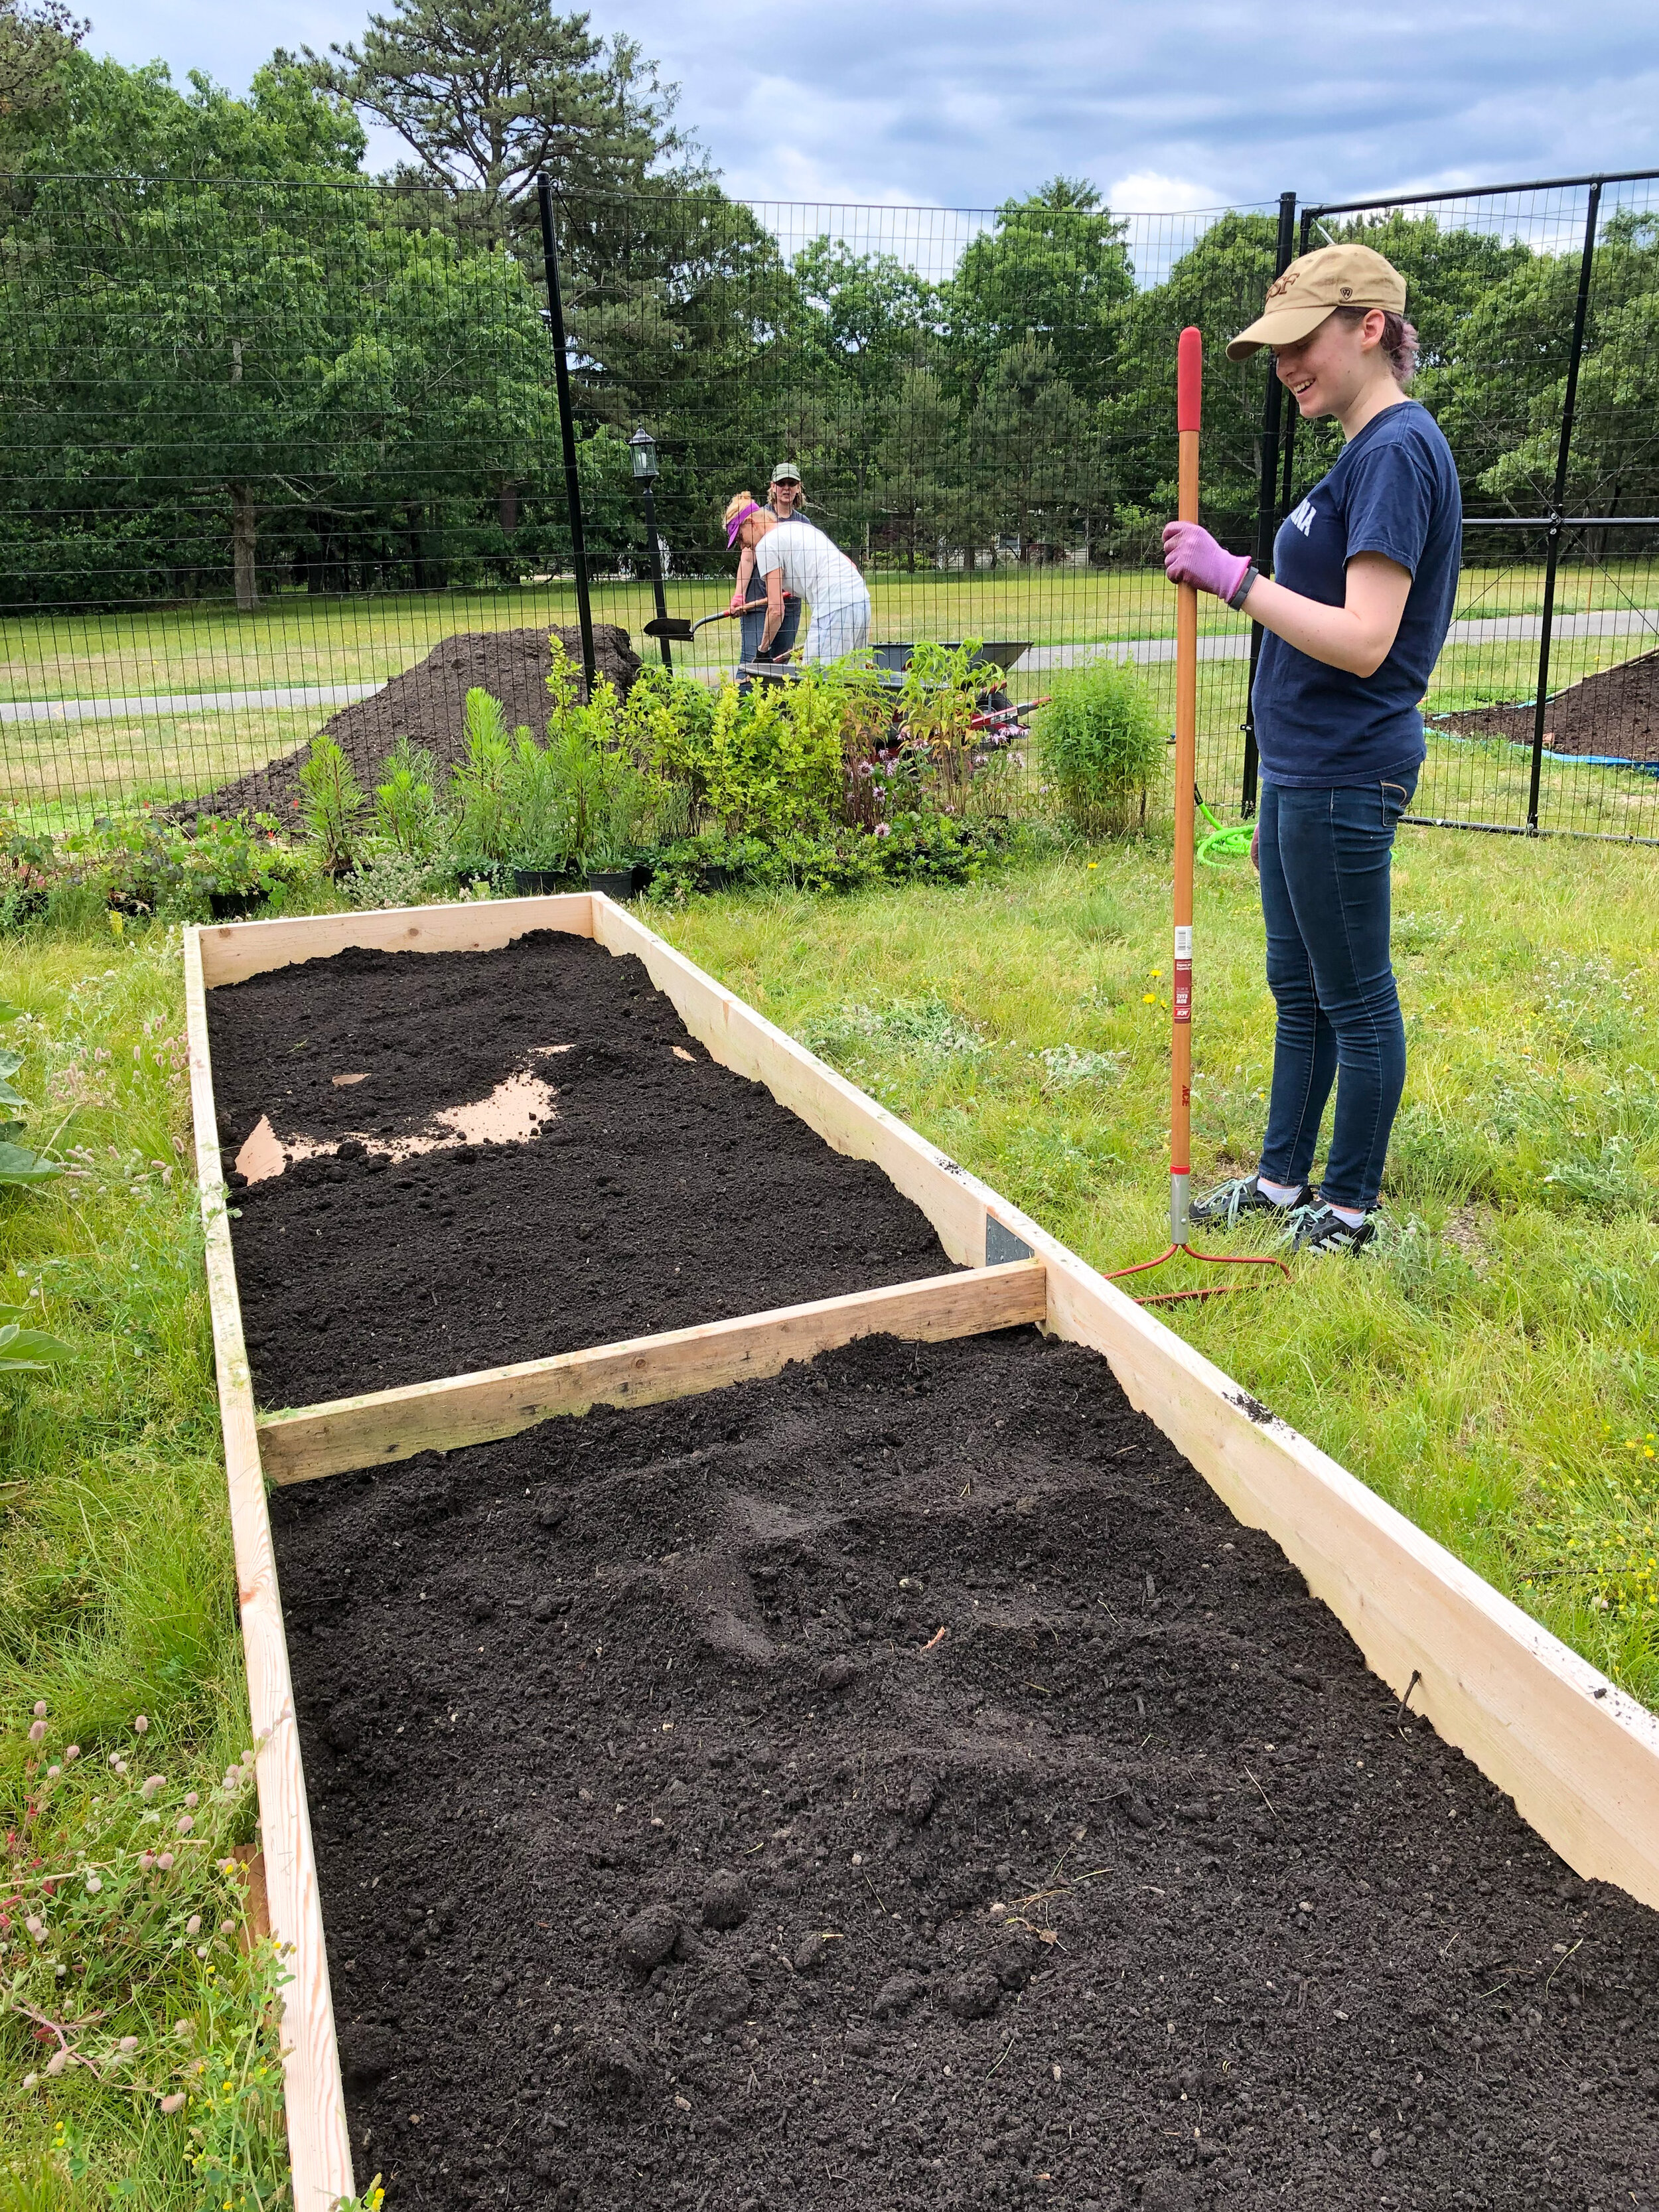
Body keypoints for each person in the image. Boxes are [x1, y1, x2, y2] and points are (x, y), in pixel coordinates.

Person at [1161, 242, 1461, 1256]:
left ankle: (1348, 1209)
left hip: (1347, 764)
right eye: (1275, 347)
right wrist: (1273, 786)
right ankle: (1284, 1182)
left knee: (1356, 996)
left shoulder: (1395, 452)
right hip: (1303, 769)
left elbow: (1369, 637)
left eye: (1302, 341)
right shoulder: (1357, 450)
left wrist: (1233, 578)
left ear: (1369, 327)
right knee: (1301, 990)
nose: (1287, 364)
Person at [724, 490, 872, 663]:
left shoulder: (767, 544)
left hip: (835, 606)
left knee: (816, 679)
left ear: (751, 523)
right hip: (860, 599)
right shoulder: (796, 527)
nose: (743, 546)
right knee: (854, 679)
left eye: (740, 537)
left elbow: (776, 610)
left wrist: (762, 652)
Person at [730, 464, 807, 664]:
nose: (786, 488)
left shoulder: (803, 523)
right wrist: (739, 595)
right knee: (751, 663)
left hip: (788, 605)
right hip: (759, 602)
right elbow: (747, 558)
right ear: (773, 486)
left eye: (792, 483)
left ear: (798, 487)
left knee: (779, 666)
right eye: (782, 483)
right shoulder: (758, 518)